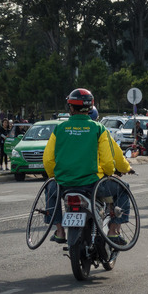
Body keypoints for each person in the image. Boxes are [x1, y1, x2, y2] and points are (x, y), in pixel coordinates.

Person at [43, 88, 116, 245]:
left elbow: (48, 160)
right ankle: (113, 231)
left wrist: (54, 176)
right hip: (92, 184)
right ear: (90, 108)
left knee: (49, 191)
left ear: (70, 107)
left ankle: (60, 230)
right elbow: (108, 163)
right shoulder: (99, 129)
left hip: (64, 185)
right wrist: (109, 173)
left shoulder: (59, 129)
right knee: (124, 189)